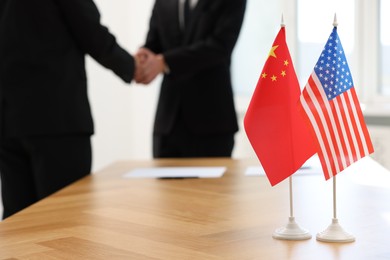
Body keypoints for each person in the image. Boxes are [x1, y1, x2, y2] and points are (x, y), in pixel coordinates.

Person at [0, 0, 136, 219]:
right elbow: (90, 30)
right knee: (65, 221)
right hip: (57, 120)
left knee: (19, 223)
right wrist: (132, 67)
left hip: (9, 120)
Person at [135, 0, 247, 158]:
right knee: (164, 183)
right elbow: (153, 45)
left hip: (212, 123)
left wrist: (164, 62)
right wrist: (142, 59)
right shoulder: (162, 3)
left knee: (213, 183)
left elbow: (219, 47)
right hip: (168, 124)